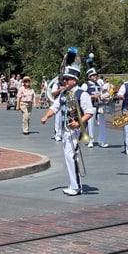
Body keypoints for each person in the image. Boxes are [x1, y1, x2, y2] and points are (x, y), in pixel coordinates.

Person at [40, 64, 94, 195]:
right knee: (68, 156)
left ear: (74, 80)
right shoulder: (64, 93)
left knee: (71, 156)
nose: (64, 81)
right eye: (64, 79)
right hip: (66, 128)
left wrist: (78, 123)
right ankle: (73, 183)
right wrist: (46, 116)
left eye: (67, 79)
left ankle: (75, 186)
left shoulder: (83, 94)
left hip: (76, 129)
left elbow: (89, 112)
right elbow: (55, 107)